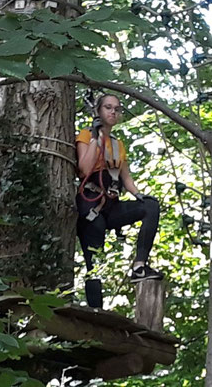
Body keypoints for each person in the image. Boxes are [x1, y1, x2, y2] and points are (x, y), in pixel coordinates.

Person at [75, 94, 164, 291]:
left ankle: (140, 266)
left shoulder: (117, 145)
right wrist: (95, 139)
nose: (113, 111)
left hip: (111, 205)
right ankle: (95, 310)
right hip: (91, 204)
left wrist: (139, 195)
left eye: (116, 108)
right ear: (98, 111)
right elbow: (84, 168)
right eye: (108, 107)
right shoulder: (85, 136)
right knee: (94, 263)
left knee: (150, 207)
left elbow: (126, 177)